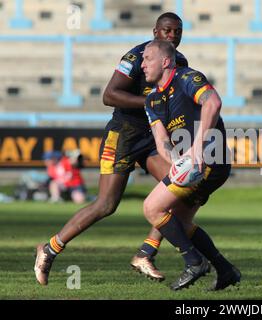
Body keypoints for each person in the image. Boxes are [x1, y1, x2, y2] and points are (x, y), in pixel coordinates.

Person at [34, 12, 186, 286]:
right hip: (124, 134)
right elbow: (109, 95)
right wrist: (149, 102)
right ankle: (50, 249)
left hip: (152, 137)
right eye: (167, 30)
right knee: (106, 205)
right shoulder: (137, 57)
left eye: (177, 31)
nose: (172, 36)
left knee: (180, 188)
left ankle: (145, 253)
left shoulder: (181, 62)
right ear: (155, 31)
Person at [141, 39, 241, 290]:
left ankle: (193, 262)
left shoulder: (186, 78)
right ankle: (225, 270)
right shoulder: (151, 100)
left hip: (210, 157)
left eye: (147, 58)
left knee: (152, 208)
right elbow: (161, 139)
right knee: (181, 223)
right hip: (196, 163)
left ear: (165, 61)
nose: (142, 65)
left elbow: (213, 102)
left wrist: (197, 147)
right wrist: (177, 162)